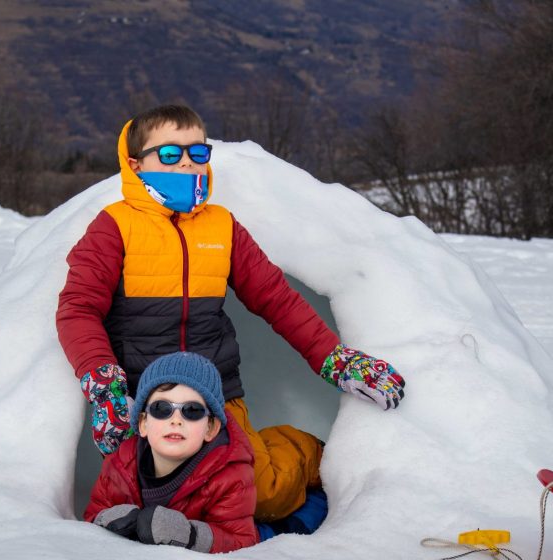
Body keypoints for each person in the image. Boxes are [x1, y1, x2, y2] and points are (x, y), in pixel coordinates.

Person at [57, 104, 406, 522]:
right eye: (169, 153)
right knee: (166, 502)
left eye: (197, 152)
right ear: (135, 163)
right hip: (147, 403)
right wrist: (104, 385)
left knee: (265, 497)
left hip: (216, 396)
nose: (187, 161)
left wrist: (334, 358)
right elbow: (78, 309)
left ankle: (306, 452)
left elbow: (276, 298)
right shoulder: (114, 227)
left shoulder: (221, 227)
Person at [84, 352, 259, 553]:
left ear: (210, 428)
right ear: (143, 423)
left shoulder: (231, 477)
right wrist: (107, 519)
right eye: (161, 408)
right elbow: (91, 519)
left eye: (192, 410)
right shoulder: (118, 467)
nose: (176, 420)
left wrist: (189, 534)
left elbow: (242, 543)